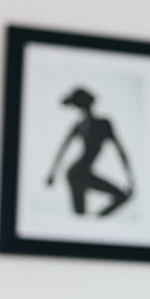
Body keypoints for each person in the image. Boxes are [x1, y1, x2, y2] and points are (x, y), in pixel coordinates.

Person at [45, 87, 135, 217]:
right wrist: (52, 173)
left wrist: (52, 173)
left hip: (76, 173)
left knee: (81, 216)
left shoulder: (99, 124)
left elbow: (120, 151)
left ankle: (95, 221)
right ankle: (95, 221)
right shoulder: (90, 124)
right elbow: (62, 149)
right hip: (78, 173)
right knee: (82, 215)